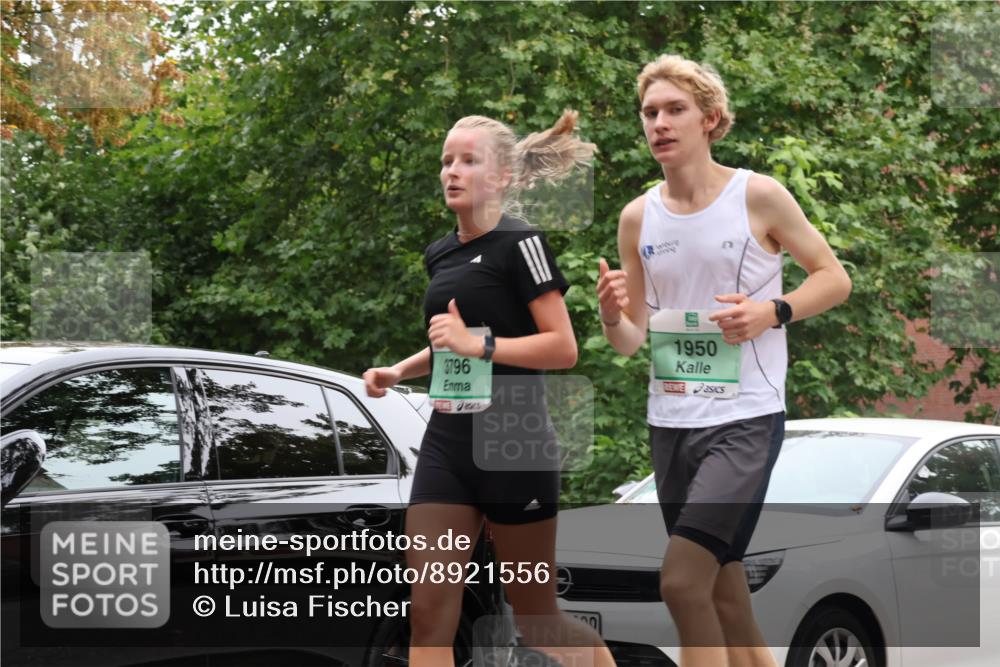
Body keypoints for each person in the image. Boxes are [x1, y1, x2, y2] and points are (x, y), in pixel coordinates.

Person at [596, 55, 851, 667]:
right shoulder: (638, 217)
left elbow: (834, 278)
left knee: (682, 582)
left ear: (710, 119)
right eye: (650, 112)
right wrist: (611, 315)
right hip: (670, 422)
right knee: (725, 595)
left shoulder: (757, 195)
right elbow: (633, 341)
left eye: (675, 110)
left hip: (744, 420)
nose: (659, 122)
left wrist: (772, 312)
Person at [364, 110, 615, 667]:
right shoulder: (440, 252)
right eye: (447, 161)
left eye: (468, 160)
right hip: (449, 440)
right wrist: (398, 372)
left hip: (514, 439)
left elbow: (562, 347)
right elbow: (453, 340)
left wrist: (483, 347)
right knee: (427, 612)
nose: (452, 171)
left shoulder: (520, 243)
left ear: (501, 176)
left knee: (537, 620)